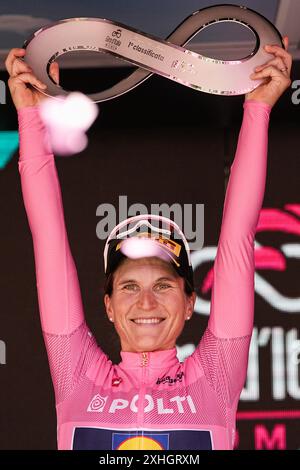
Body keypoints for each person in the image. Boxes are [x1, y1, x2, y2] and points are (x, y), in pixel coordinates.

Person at [6, 37, 292, 450]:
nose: (146, 303)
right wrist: (31, 117)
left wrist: (258, 108)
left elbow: (238, 237)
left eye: (162, 285)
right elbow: (47, 238)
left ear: (190, 302)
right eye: (128, 286)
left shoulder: (215, 376)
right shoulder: (77, 374)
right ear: (108, 305)